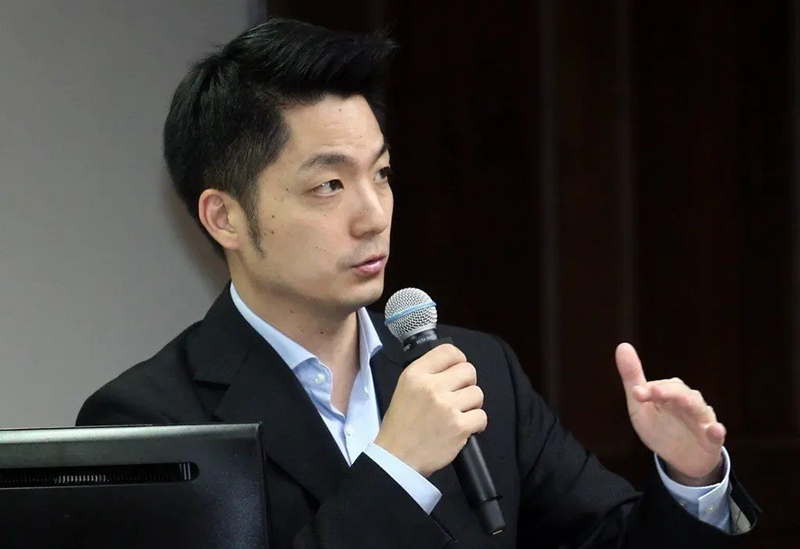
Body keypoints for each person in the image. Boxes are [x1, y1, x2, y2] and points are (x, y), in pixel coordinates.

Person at [76, 17, 760, 548]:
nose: (373, 215)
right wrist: (397, 469)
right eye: (329, 185)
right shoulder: (145, 422)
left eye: (381, 174)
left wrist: (689, 478)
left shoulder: (477, 369)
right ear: (224, 216)